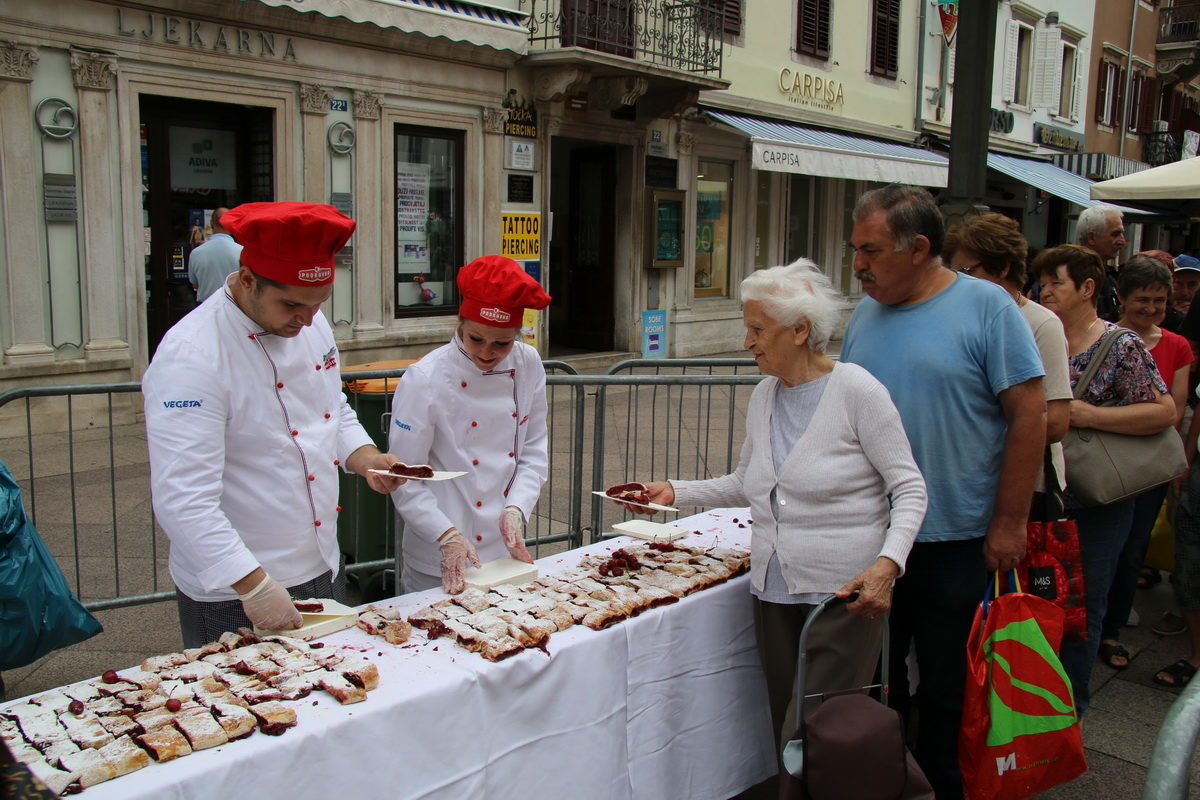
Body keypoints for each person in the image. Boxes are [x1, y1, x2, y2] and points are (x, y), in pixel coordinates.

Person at [622, 260, 926, 758]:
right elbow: (748, 482)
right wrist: (674, 493)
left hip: (842, 593)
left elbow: (909, 488)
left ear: (801, 329)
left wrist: (887, 566)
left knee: (817, 734)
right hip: (772, 589)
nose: (747, 341)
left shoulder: (857, 391)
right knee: (785, 721)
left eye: (758, 329)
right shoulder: (766, 394)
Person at [840, 185, 1046, 800]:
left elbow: (1030, 414)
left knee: (949, 686)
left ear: (919, 248)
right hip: (874, 541)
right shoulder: (864, 313)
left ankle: (945, 787)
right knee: (876, 679)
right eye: (855, 249)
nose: (858, 265)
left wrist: (1011, 522)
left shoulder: (987, 307)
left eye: (870, 250)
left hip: (955, 539)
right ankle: (888, 779)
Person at [143, 202, 406, 647]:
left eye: (317, 304)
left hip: (321, 562)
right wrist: (254, 586)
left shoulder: (309, 321)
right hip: (236, 582)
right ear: (248, 280)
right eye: (291, 304)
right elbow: (182, 498)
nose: (305, 320)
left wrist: (366, 458)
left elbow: (332, 409)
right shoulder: (191, 356)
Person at [1035, 245, 1174, 709]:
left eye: (1056, 281)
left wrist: (1088, 414)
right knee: (1041, 602)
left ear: (1087, 288)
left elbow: (1164, 411)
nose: (1045, 290)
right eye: (1043, 281)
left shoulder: (1120, 344)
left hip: (1098, 501)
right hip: (1043, 494)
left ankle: (1071, 709)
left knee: (1083, 606)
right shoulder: (1035, 337)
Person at [388, 255, 552, 594]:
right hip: (437, 551)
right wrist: (444, 534)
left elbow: (534, 451)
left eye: (502, 343)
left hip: (502, 551)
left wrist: (517, 509)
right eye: (476, 339)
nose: (487, 352)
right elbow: (404, 477)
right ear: (460, 324)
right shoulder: (425, 378)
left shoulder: (529, 363)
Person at [1096, 257, 1193, 669]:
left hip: (1148, 465)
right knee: (1100, 550)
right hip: (1101, 463)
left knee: (1132, 549)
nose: (1152, 308)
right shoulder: (1101, 336)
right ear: (1122, 298)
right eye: (1143, 300)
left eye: (1159, 300)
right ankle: (1089, 626)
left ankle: (1112, 628)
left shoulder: (1177, 345)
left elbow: (1175, 411)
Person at [943, 213, 1071, 499]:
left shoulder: (1041, 324)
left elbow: (1056, 422)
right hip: (967, 481)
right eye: (953, 273)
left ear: (1002, 268)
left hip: (1023, 488)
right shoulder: (955, 318)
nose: (957, 283)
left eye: (967, 271)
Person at [1075, 204, 1127, 322]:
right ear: (1091, 237)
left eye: (1122, 234)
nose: (1122, 241)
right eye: (1115, 234)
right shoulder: (1070, 275)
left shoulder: (1109, 276)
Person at [187, 207, 242, 302]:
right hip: (233, 306)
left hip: (206, 307)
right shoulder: (242, 252)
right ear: (231, 225)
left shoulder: (196, 253)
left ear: (211, 223)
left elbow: (195, 284)